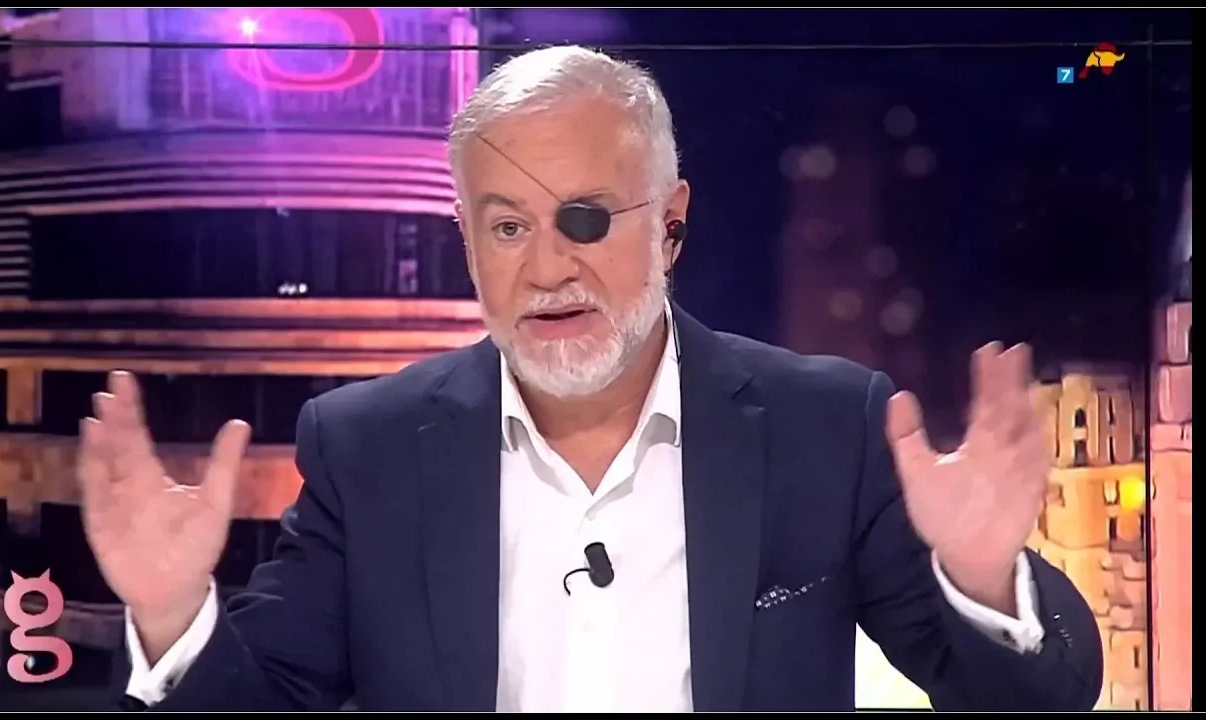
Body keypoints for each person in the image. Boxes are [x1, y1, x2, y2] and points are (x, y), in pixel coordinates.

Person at [79, 45, 1103, 712]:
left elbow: (1039, 699)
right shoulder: (367, 447)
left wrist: (982, 582)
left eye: (584, 219)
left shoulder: (824, 428)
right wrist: (172, 615)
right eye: (506, 228)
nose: (546, 268)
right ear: (467, 243)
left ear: (671, 224)